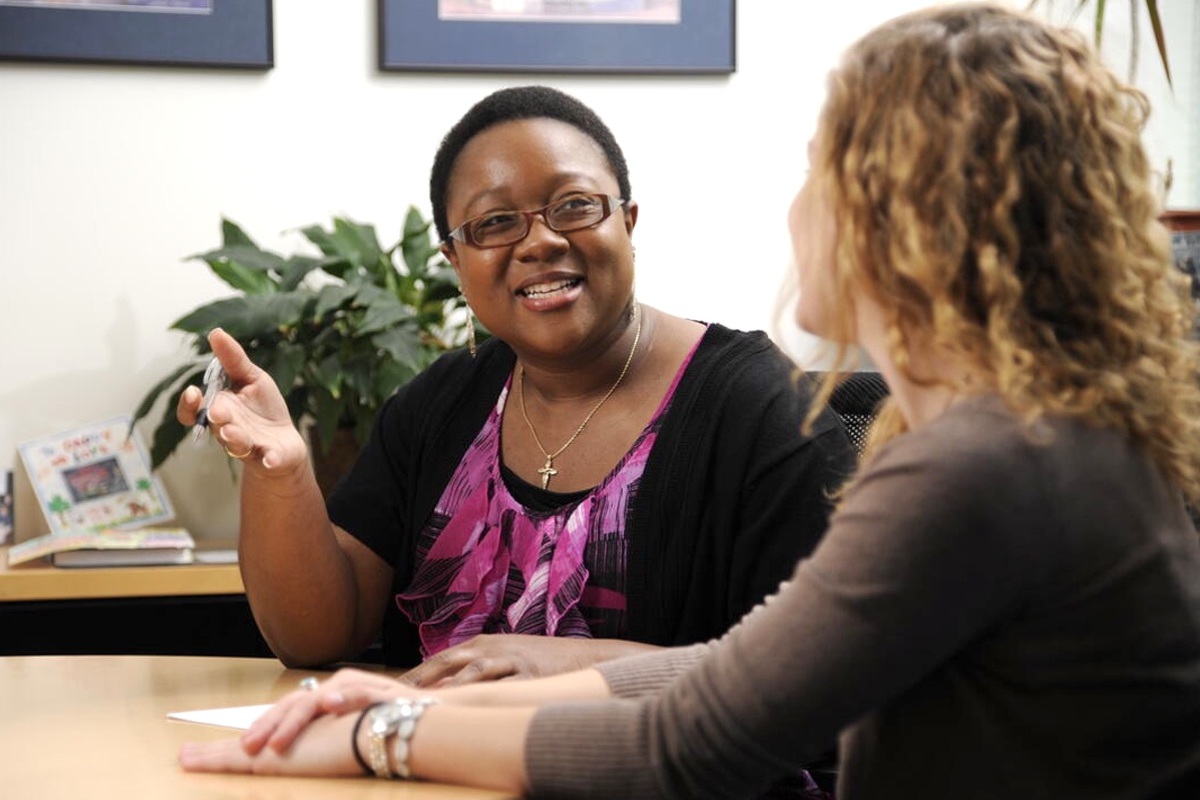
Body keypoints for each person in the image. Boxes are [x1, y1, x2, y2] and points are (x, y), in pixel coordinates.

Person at [178, 4, 1200, 796]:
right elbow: (751, 668)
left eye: (818, 172)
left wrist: (380, 734)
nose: (797, 205)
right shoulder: (1034, 442)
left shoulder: (980, 469)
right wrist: (406, 705)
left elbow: (697, 739)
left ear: (906, 219)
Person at [177, 85, 854, 680]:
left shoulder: (762, 409)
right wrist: (283, 477)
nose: (539, 242)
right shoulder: (439, 405)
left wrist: (570, 666)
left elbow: (818, 672)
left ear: (627, 221)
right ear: (454, 260)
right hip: (430, 766)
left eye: (575, 206)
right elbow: (315, 638)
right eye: (495, 223)